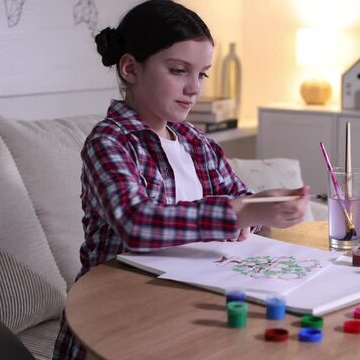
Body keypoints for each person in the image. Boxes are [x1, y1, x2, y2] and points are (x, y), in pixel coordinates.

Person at [53, 1, 309, 358]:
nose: (194, 88)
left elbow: (237, 199)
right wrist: (237, 213)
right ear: (130, 68)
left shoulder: (195, 142)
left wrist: (266, 205)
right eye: (178, 71)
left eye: (202, 74)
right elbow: (137, 223)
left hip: (185, 308)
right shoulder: (110, 142)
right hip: (114, 320)